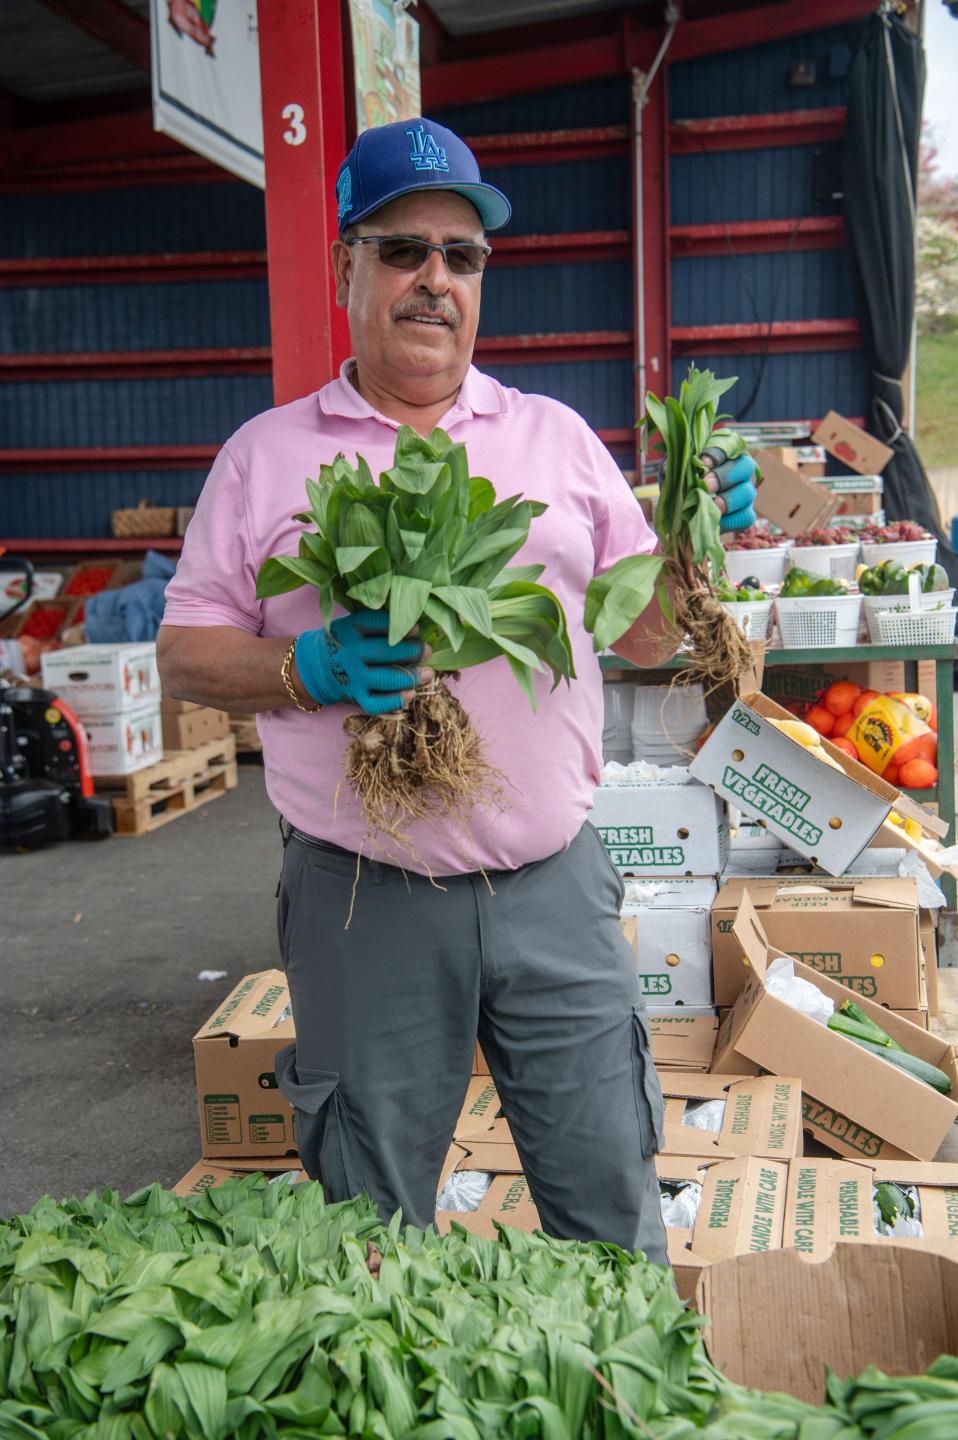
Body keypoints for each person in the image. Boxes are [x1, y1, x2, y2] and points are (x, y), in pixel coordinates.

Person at [157, 117, 756, 1266]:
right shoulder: (268, 455)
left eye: (462, 255)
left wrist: (689, 543)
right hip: (362, 896)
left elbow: (640, 636)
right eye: (403, 249)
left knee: (607, 1202)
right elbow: (186, 654)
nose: (436, 278)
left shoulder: (558, 441)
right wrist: (304, 669)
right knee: (373, 1230)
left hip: (554, 890)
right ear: (346, 268)